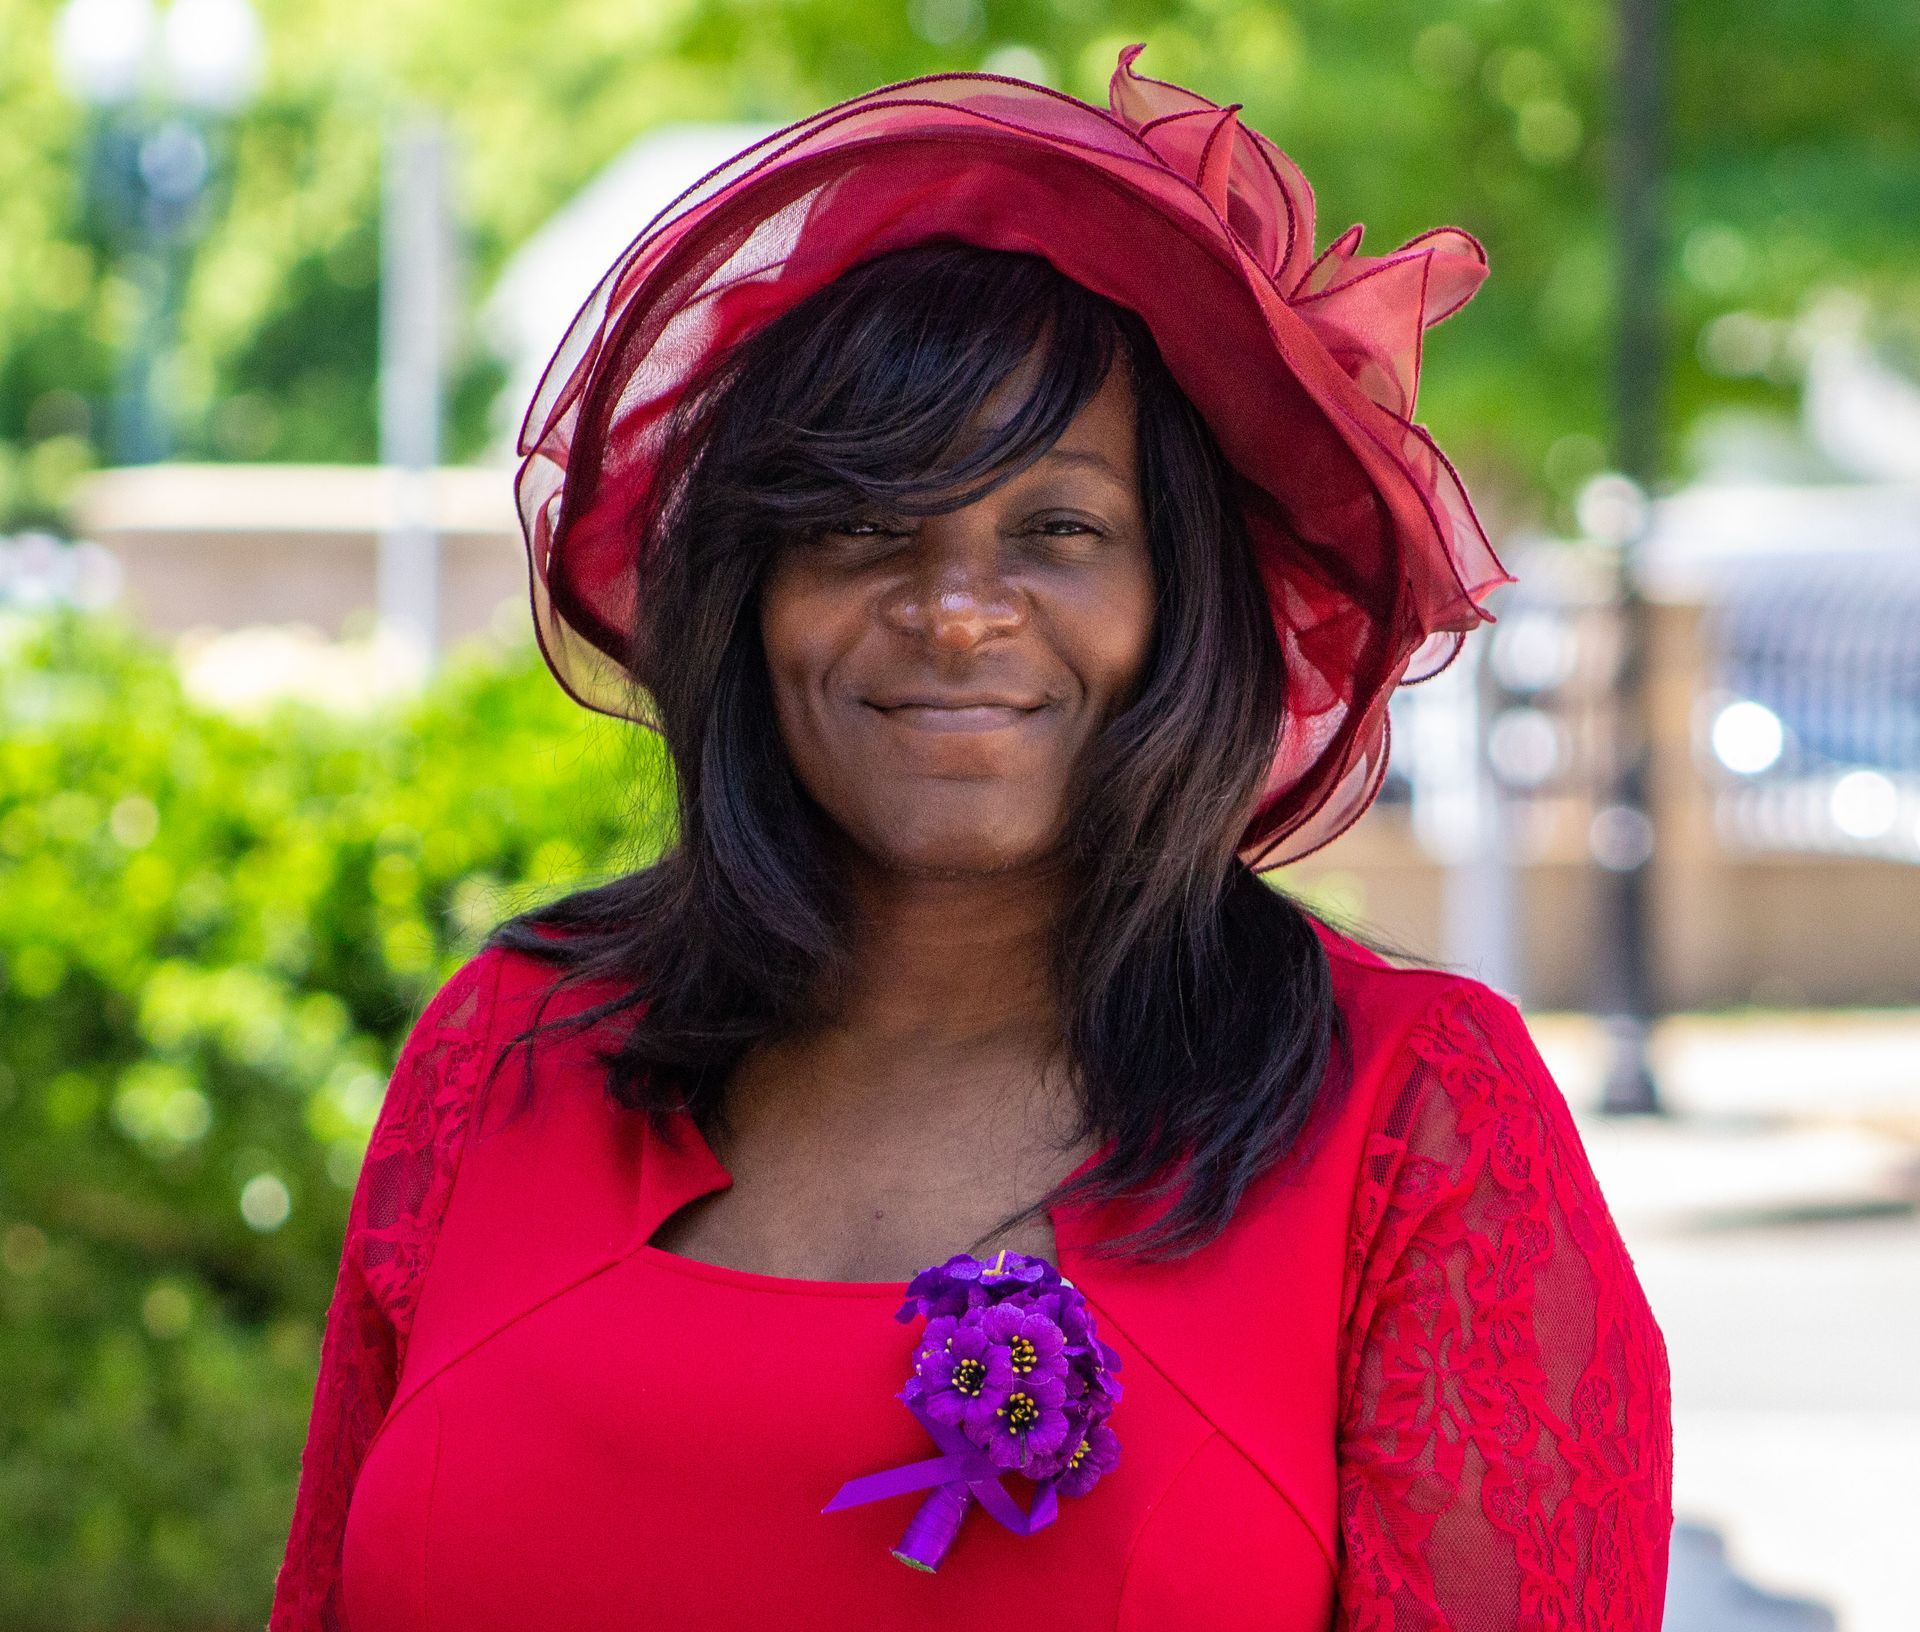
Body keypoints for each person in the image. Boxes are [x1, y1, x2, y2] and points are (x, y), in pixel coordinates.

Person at [270, 46, 1672, 1631]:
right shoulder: (509, 1046)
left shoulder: (1417, 1122)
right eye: (864, 524)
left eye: (1057, 529)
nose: (953, 612)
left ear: (1181, 600)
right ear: (753, 592)